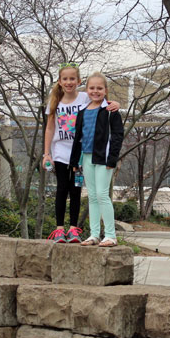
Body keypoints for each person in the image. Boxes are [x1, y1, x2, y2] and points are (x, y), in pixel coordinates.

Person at [43, 62, 119, 243]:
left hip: (88, 152)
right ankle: (62, 229)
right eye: (65, 79)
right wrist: (47, 153)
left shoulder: (86, 98)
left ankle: (79, 230)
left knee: (81, 190)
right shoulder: (55, 101)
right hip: (66, 152)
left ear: (78, 81)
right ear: (60, 81)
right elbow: (49, 128)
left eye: (72, 78)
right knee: (65, 188)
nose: (69, 82)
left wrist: (115, 103)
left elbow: (102, 101)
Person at [70, 71, 124, 247]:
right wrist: (75, 162)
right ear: (86, 90)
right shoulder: (82, 111)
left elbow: (117, 135)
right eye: (92, 88)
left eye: (99, 88)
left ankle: (110, 235)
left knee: (102, 195)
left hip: (104, 158)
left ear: (106, 90)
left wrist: (112, 159)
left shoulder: (110, 110)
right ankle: (94, 235)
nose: (95, 91)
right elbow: (78, 138)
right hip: (86, 157)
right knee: (92, 196)